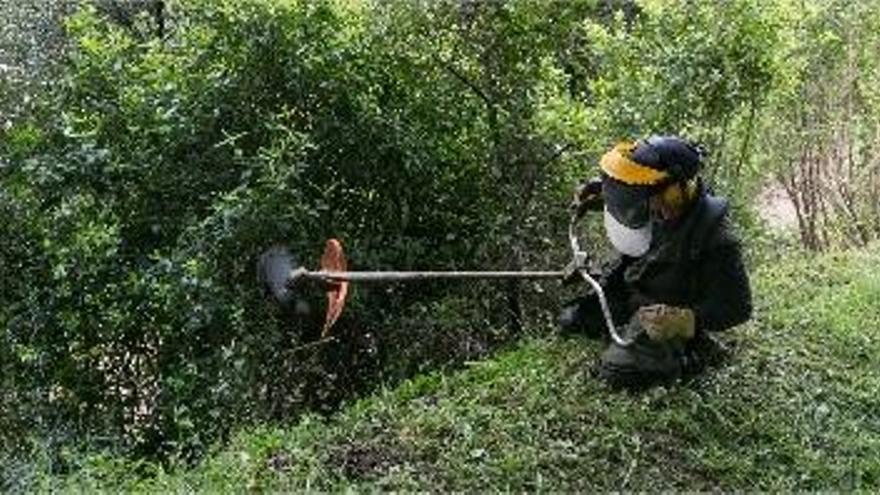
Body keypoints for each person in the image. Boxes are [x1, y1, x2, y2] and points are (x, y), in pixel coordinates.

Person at [560, 136, 752, 389]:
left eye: (656, 196)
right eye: (643, 196)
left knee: (618, 372)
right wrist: (602, 191)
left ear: (682, 184)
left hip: (667, 309)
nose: (652, 208)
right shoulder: (654, 196)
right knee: (572, 321)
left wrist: (684, 321)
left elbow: (738, 307)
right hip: (635, 290)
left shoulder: (717, 236)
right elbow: (632, 193)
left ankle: (698, 353)